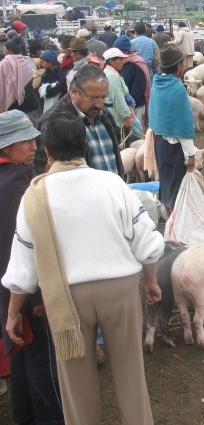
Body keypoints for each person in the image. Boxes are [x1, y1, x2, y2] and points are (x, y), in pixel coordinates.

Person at [2, 113, 164, 425]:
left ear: (46, 151)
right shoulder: (112, 184)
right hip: (119, 290)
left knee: (76, 384)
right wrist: (151, 280)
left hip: (66, 299)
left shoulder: (34, 195)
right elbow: (146, 239)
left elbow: (23, 263)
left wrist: (12, 314)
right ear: (85, 145)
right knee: (131, 373)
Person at [0, 110, 65, 424]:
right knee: (44, 359)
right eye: (23, 142)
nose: (32, 147)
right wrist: (40, 294)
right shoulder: (17, 185)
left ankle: (23, 416)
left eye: (33, 140)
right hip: (26, 288)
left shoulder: (12, 178)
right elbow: (28, 245)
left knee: (22, 353)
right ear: (5, 147)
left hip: (7, 288)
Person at [36, 63, 124, 178]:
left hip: (113, 192)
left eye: (103, 97)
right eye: (94, 98)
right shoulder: (53, 122)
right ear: (74, 92)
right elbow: (42, 169)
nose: (100, 104)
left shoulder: (105, 115)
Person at [148, 45, 198, 212]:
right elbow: (181, 123)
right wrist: (190, 154)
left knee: (167, 180)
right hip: (174, 146)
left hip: (160, 143)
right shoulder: (177, 89)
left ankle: (170, 217)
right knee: (177, 184)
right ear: (178, 66)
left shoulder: (157, 82)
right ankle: (176, 223)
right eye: (182, 63)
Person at [0, 37, 40, 123]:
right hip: (29, 102)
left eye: (5, 49)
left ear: (10, 51)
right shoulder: (25, 61)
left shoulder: (5, 63)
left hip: (12, 105)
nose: (3, 51)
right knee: (33, 130)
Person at [102, 47, 135, 139]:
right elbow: (118, 99)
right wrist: (126, 118)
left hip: (112, 115)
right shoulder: (112, 76)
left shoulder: (110, 73)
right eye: (120, 60)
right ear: (111, 61)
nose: (122, 62)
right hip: (116, 118)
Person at [38, 49, 65, 113]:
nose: (41, 65)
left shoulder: (62, 74)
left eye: (42, 62)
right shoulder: (46, 74)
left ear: (50, 62)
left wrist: (47, 89)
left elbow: (58, 89)